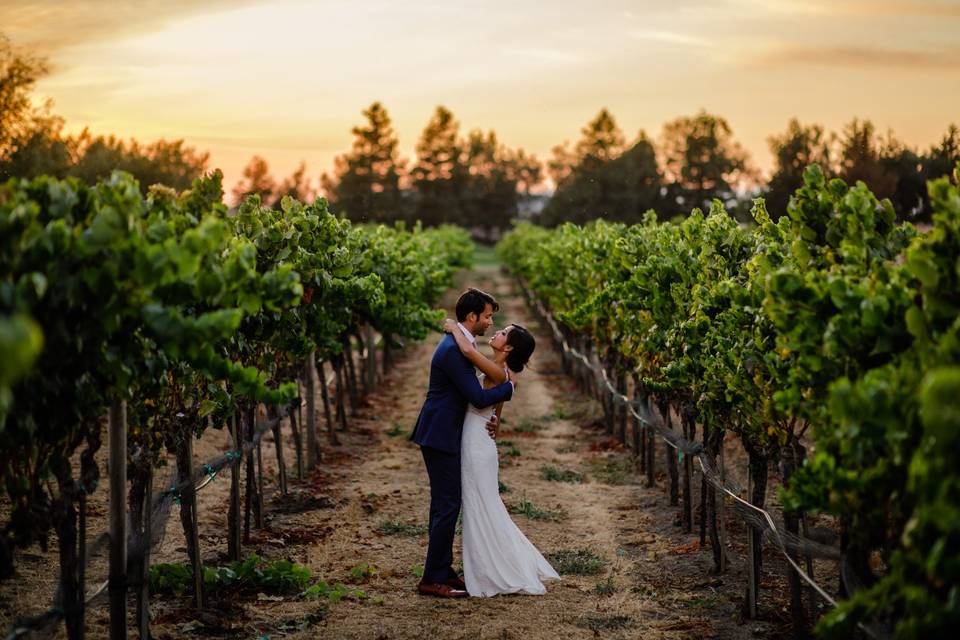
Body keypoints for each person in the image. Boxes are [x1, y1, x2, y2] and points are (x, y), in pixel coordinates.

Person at [443, 317, 561, 597]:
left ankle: (495, 571)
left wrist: (453, 328)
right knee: (483, 506)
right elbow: (498, 404)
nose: (497, 332)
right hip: (479, 441)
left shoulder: (497, 369)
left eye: (503, 332)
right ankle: (497, 565)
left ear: (508, 348)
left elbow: (469, 353)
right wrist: (496, 419)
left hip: (475, 445)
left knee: (480, 506)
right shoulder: (502, 370)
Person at [410, 288, 515, 598]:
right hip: (440, 434)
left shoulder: (461, 344)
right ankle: (431, 579)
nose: (490, 322)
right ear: (472, 317)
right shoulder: (455, 350)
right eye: (487, 316)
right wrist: (508, 390)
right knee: (447, 505)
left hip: (443, 432)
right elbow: (478, 396)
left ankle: (443, 569)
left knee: (445, 504)